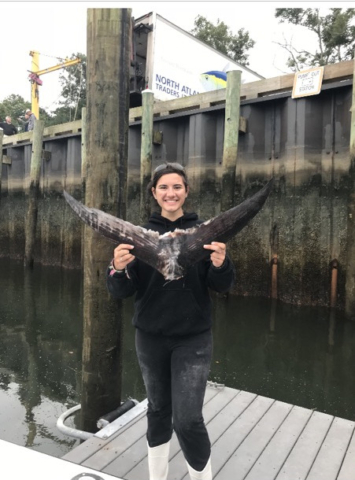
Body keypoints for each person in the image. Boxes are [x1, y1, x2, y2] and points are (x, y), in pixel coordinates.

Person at [106, 162, 235, 480]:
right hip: (150, 337)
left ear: (186, 191)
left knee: (188, 419)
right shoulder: (136, 236)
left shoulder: (205, 234)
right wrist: (117, 267)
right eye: (163, 187)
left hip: (193, 338)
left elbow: (222, 285)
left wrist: (221, 264)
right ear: (154, 192)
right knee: (158, 410)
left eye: (177, 186)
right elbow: (120, 290)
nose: (170, 193)